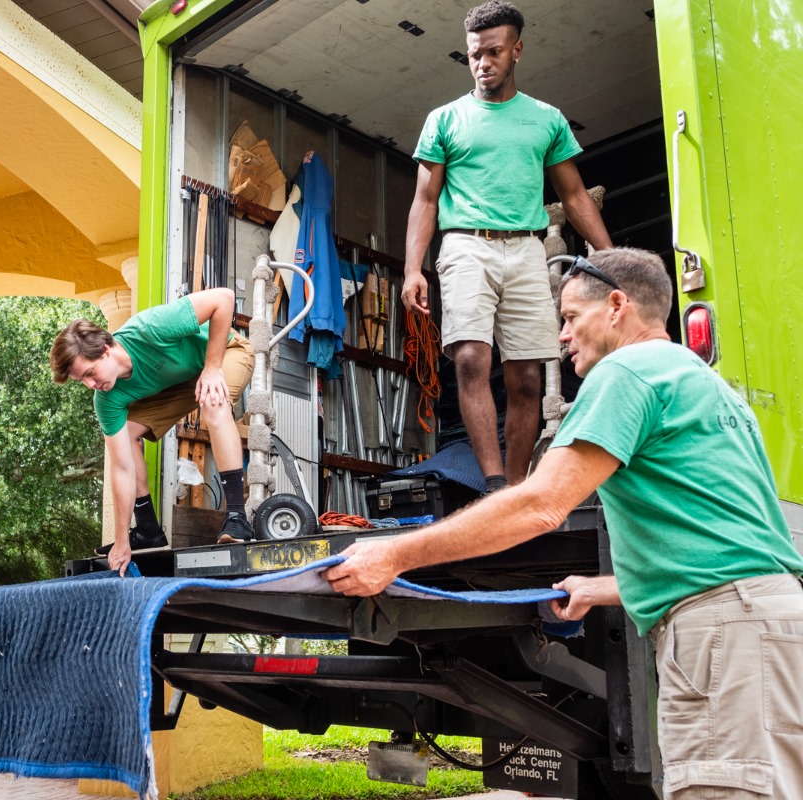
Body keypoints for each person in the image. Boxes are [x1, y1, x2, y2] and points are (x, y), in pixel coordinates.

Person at [325, 247, 803, 798]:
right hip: (764, 622)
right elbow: (731, 539)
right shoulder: (704, 383)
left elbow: (540, 505)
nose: (561, 336)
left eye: (572, 317)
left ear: (618, 305)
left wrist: (393, 554)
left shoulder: (626, 372)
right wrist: (605, 587)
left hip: (722, 637)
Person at [404, 0, 612, 492]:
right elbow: (425, 199)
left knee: (526, 380)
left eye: (493, 53)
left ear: (516, 50)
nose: (482, 64)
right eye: (474, 54)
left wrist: (607, 257)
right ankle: (495, 485)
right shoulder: (445, 119)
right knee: (472, 358)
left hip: (524, 249)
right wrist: (414, 268)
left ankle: (517, 488)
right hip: (465, 246)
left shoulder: (545, 119)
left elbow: (575, 195)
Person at [50, 288, 255, 575]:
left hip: (226, 353)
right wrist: (122, 540)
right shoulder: (107, 399)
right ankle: (147, 529)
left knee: (212, 399)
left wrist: (212, 367)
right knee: (128, 432)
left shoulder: (150, 328)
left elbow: (223, 298)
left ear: (105, 349)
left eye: (89, 373)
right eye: (81, 380)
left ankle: (237, 516)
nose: (90, 384)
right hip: (183, 381)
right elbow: (121, 468)